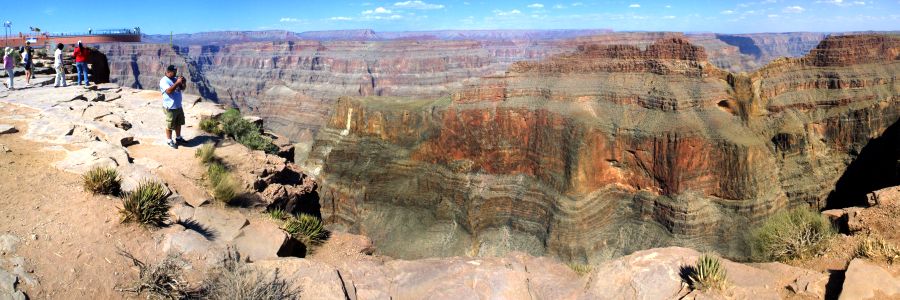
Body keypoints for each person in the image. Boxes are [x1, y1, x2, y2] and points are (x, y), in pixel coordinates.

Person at [160, 65, 187, 149]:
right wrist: (177, 83)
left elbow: (182, 88)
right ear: (168, 72)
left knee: (178, 123)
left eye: (176, 72)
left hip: (178, 105)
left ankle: (178, 138)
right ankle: (169, 141)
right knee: (170, 125)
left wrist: (183, 82)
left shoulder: (175, 79)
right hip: (170, 107)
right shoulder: (164, 80)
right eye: (174, 72)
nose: (175, 73)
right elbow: (169, 91)